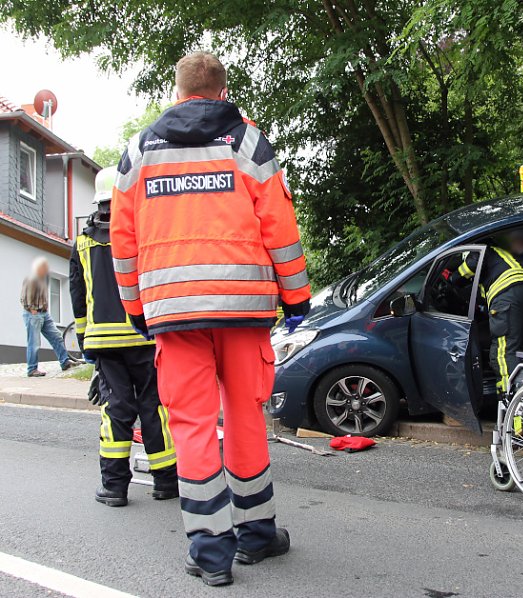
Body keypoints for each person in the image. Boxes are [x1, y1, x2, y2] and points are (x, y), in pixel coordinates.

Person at [110, 51, 311, 587]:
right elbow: (280, 225)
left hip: (174, 313)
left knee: (193, 426)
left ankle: (210, 553)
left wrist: (136, 308)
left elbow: (122, 245)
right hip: (243, 309)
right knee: (244, 416)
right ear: (222, 92)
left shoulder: (140, 151)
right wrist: (296, 298)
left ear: (177, 93)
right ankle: (257, 534)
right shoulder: (246, 142)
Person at [69, 166, 178, 508]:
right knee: (154, 407)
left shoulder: (83, 241)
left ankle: (115, 488)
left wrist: (85, 338)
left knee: (116, 409)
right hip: (144, 336)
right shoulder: (140, 232)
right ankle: (165, 482)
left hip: (104, 342)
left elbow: (77, 291)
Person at [448, 229, 523, 395]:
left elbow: (472, 265)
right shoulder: (500, 256)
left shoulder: (480, 249)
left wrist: (454, 278)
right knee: (517, 342)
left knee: (502, 352)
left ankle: (510, 398)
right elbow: (483, 295)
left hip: (509, 289)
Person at [20, 256, 83, 377]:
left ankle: (65, 362)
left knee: (56, 336)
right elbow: (24, 297)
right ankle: (32, 369)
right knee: (34, 343)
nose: (46, 269)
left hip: (44, 313)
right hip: (33, 314)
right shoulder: (31, 279)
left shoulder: (44, 279)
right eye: (44, 267)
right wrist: (33, 309)